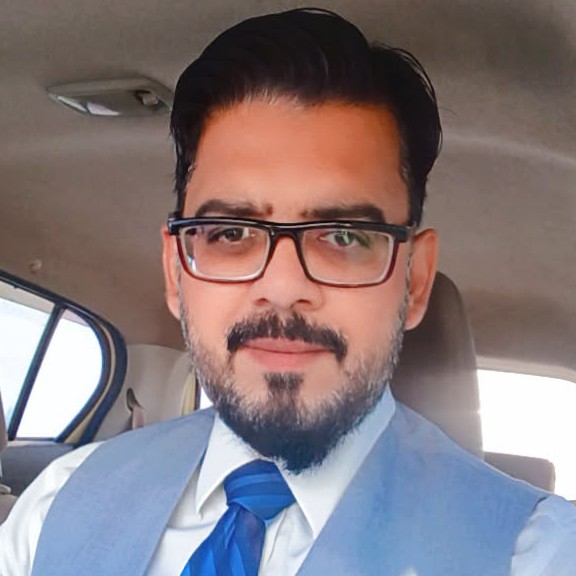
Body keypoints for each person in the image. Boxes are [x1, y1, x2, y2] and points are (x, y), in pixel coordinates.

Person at [1, 8, 575, 576]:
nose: (281, 288)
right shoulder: (56, 507)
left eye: (344, 236)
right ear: (176, 272)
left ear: (415, 280)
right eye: (230, 233)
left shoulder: (537, 555)